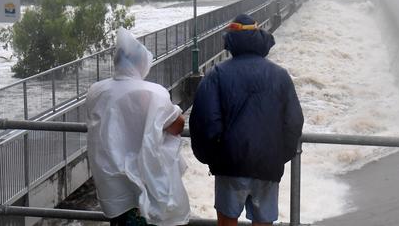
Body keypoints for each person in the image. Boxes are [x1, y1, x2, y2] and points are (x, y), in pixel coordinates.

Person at [189, 14, 304, 226]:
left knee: (227, 220)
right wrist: (279, 155)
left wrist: (213, 158)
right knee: (263, 221)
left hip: (230, 163)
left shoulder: (216, 74)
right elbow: (294, 122)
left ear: (230, 41)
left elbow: (205, 122)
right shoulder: (280, 75)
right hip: (268, 163)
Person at [86, 27, 190, 226]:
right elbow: (176, 126)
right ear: (141, 63)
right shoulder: (154, 94)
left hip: (112, 186)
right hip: (147, 183)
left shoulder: (96, 91)